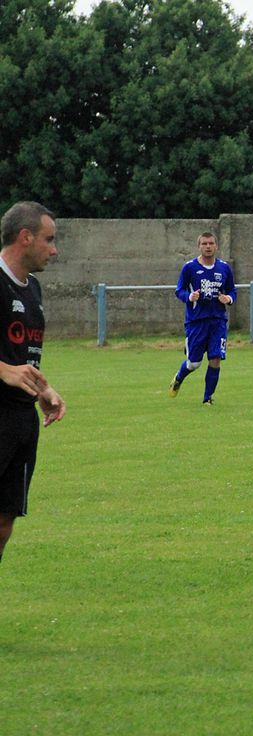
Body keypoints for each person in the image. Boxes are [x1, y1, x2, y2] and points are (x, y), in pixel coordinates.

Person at [0, 201, 67, 566]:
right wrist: (5, 370)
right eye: (49, 239)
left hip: (21, 420)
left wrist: (43, 389)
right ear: (25, 237)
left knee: (5, 521)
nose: (54, 250)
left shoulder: (34, 290)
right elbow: (8, 365)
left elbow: (22, 354)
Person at [168, 232, 236, 404]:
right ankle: (178, 377)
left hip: (218, 321)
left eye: (211, 243)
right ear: (199, 246)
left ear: (216, 246)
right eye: (204, 243)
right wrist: (189, 297)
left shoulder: (224, 268)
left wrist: (228, 299)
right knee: (194, 364)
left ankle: (207, 399)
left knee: (215, 358)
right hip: (196, 322)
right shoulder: (189, 267)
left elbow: (232, 290)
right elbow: (179, 290)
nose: (208, 246)